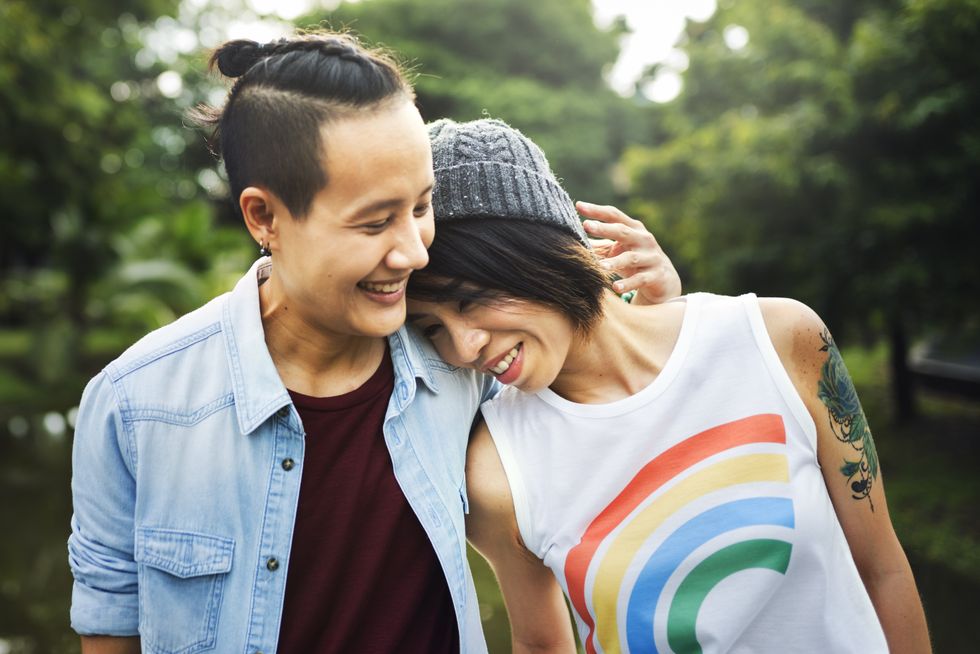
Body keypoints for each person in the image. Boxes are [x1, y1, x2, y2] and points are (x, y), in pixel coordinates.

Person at [67, 32, 678, 653]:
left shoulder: (466, 364)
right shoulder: (132, 405)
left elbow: (614, 414)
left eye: (422, 205)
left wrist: (655, 314)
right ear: (264, 218)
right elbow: (110, 634)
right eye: (375, 221)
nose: (414, 251)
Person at [405, 118, 932, 654]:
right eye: (432, 328)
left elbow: (881, 568)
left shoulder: (778, 339)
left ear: (537, 248)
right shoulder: (497, 469)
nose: (464, 347)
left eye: (469, 298)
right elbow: (543, 645)